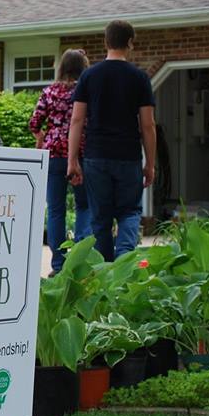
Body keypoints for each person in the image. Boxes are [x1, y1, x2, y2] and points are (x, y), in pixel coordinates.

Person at [67, 20, 156, 262]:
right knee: (130, 211)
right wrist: (150, 164)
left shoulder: (89, 76)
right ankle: (125, 261)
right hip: (128, 156)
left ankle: (105, 273)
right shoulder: (139, 78)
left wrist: (72, 160)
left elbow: (76, 120)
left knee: (100, 217)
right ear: (130, 43)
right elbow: (147, 125)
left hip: (96, 156)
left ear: (106, 42)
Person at [29, 49, 92, 275]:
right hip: (81, 153)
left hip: (54, 154)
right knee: (84, 205)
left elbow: (35, 121)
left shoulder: (50, 91)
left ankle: (58, 264)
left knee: (56, 210)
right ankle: (80, 259)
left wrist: (41, 138)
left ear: (62, 67)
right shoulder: (86, 91)